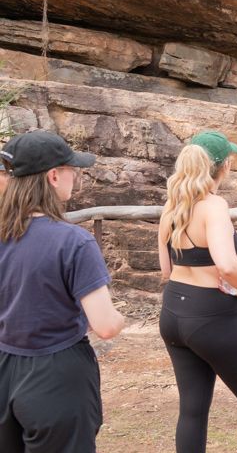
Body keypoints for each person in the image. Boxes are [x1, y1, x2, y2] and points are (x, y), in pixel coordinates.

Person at [0, 130, 125, 453]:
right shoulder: (73, 241)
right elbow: (106, 326)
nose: (76, 174)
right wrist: (119, 316)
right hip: (56, 373)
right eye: (72, 168)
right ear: (54, 176)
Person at [157, 130, 237, 453]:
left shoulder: (171, 207)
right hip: (213, 318)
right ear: (223, 166)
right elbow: (228, 265)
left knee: (192, 410)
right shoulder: (214, 206)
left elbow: (166, 270)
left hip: (173, 314)